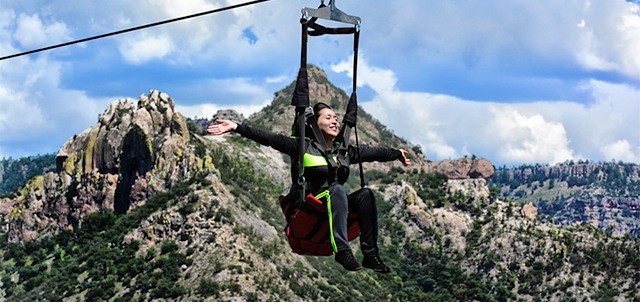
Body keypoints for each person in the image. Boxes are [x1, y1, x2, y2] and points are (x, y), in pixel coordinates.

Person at [207, 102, 410, 273]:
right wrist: (236, 127)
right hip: (309, 206)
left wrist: (396, 153)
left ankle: (370, 254)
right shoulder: (302, 147)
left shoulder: (344, 152)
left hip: (334, 208)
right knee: (338, 189)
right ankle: (342, 250)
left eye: (336, 119)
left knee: (366, 194)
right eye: (328, 118)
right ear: (313, 124)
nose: (335, 121)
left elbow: (375, 153)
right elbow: (269, 138)